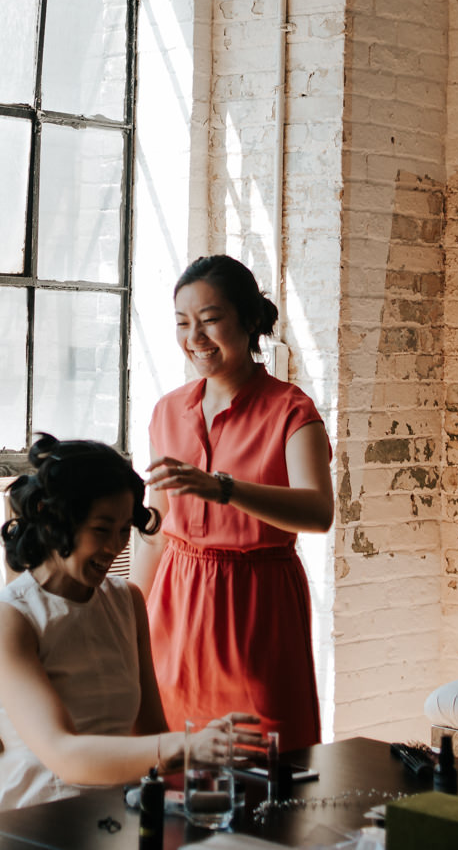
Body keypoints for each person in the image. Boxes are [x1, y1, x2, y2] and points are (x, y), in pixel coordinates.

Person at [0, 434, 259, 814]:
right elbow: (62, 753)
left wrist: (204, 751)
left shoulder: (127, 601)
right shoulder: (7, 619)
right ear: (52, 520)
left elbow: (152, 734)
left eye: (123, 530)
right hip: (36, 813)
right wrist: (184, 746)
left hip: (121, 807)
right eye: (101, 529)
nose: (114, 547)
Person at [132, 255, 334, 752]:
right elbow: (155, 530)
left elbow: (318, 512)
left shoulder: (291, 411)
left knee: (264, 755)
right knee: (172, 754)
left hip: (256, 603)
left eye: (210, 319)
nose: (194, 337)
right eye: (183, 323)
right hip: (175, 602)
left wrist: (224, 489)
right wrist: (127, 620)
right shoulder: (167, 411)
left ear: (247, 319)